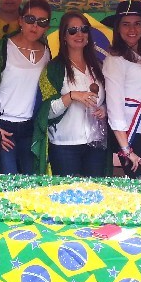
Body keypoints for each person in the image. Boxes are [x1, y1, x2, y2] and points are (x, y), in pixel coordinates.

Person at [0, 0, 51, 174]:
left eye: (42, 22)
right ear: (20, 20)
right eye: (30, 19)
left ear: (47, 27)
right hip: (4, 126)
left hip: (30, 127)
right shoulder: (2, 48)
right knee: (8, 179)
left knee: (31, 180)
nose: (35, 26)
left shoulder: (47, 51)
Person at [34, 11, 108, 177]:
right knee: (67, 192)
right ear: (64, 37)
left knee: (96, 190)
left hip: (96, 144)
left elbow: (108, 100)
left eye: (84, 29)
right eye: (73, 30)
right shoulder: (53, 69)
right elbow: (46, 112)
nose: (79, 34)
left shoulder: (98, 66)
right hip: (64, 146)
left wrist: (104, 109)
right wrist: (72, 96)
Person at [101, 1, 141, 179]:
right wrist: (126, 149)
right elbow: (114, 106)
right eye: (126, 24)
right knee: (139, 185)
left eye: (137, 24)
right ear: (118, 28)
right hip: (131, 134)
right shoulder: (115, 60)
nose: (132, 29)